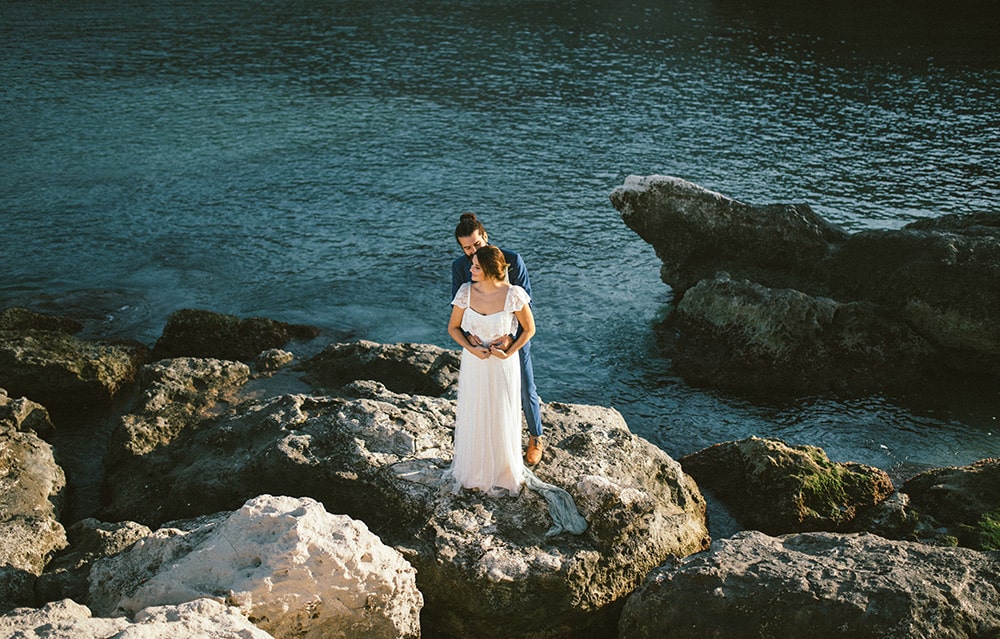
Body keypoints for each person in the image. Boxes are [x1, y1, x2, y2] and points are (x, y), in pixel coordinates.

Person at [451, 212, 544, 464]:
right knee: (480, 396)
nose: (472, 253)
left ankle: (536, 437)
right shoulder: (461, 267)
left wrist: (510, 340)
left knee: (525, 388)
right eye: (467, 248)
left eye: (477, 245)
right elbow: (459, 307)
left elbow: (526, 305)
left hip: (511, 336)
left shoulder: (512, 260)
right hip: (479, 340)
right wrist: (470, 336)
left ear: (486, 236)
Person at [447, 245, 535, 494]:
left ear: (487, 270)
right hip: (475, 363)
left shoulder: (514, 295)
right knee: (475, 411)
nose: (470, 269)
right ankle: (475, 470)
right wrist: (471, 348)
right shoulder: (465, 292)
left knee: (501, 412)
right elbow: (453, 328)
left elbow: (529, 329)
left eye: (475, 266)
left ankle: (504, 470)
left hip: (503, 365)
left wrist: (509, 351)